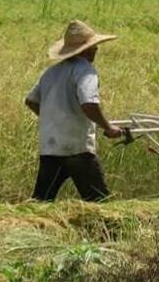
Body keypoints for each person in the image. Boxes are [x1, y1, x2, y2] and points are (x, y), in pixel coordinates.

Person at [25, 20, 123, 201]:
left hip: (51, 148)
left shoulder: (50, 72)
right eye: (93, 46)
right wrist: (108, 127)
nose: (96, 49)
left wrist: (53, 119)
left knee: (40, 202)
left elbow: (31, 101)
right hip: (77, 149)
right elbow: (89, 105)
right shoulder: (85, 71)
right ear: (85, 50)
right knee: (100, 203)